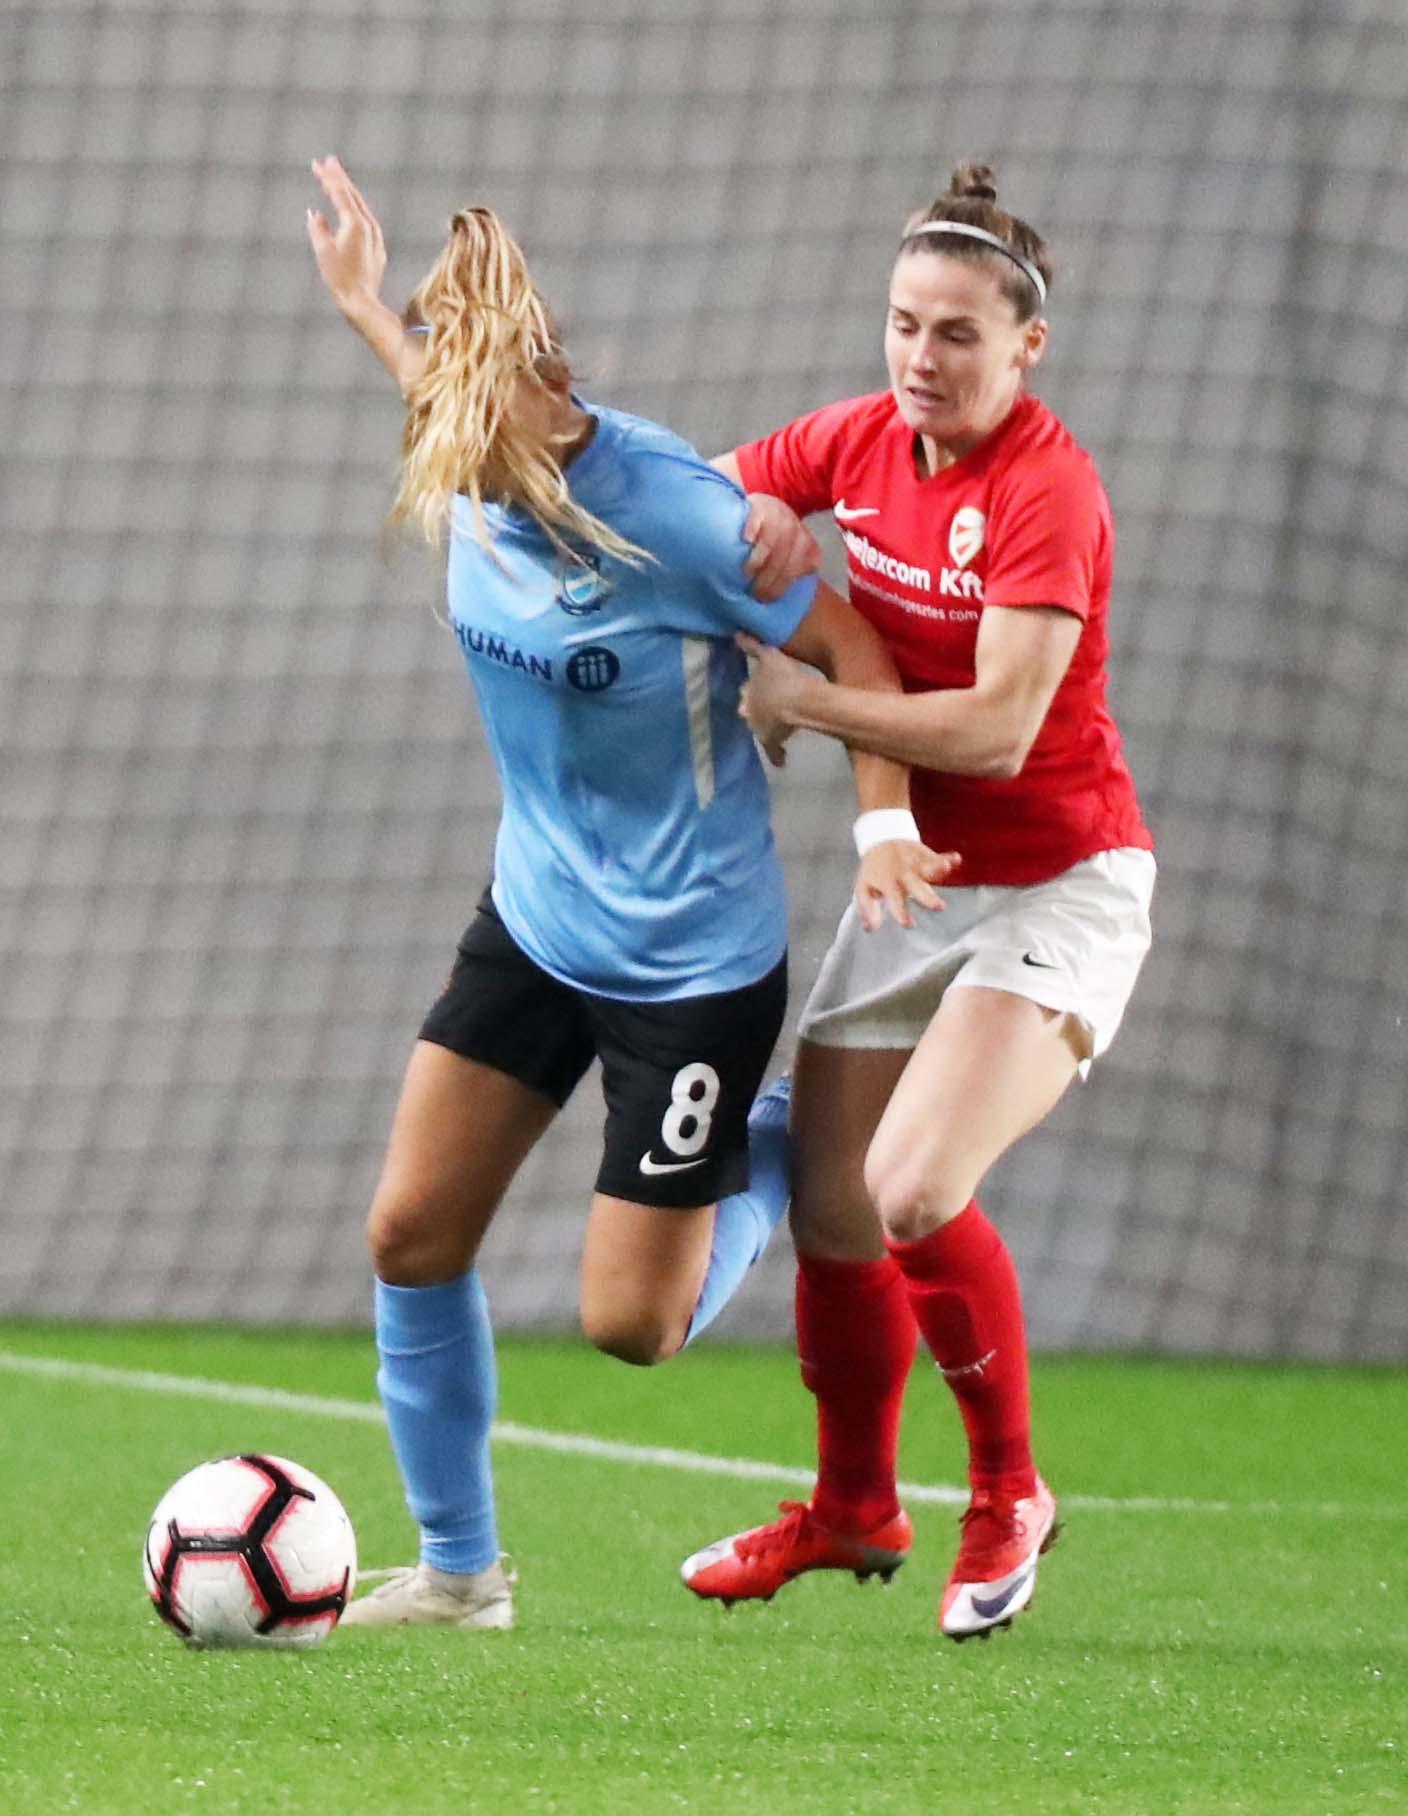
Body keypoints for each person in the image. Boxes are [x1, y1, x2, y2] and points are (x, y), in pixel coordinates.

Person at [303, 157, 955, 1630]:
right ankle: (462, 1576)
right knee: (410, 1235)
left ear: (549, 386)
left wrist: (880, 829)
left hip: (689, 968)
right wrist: (363, 302)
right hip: (536, 923)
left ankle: (779, 1136)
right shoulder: (467, 439)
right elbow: (430, 377)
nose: (461, 475)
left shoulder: (674, 512)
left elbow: (856, 652)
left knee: (632, 1328)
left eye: (478, 437)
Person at [679, 163, 1155, 1640]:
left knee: (912, 1190)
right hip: (920, 885)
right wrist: (755, 521)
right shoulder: (862, 439)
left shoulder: (1045, 491)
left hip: (1059, 887)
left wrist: (808, 698)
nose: (921, 358)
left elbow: (1000, 733)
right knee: (833, 1211)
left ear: (1027, 347)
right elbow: (699, 496)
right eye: (903, 324)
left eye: (958, 333)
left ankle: (1010, 1492)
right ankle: (851, 1510)